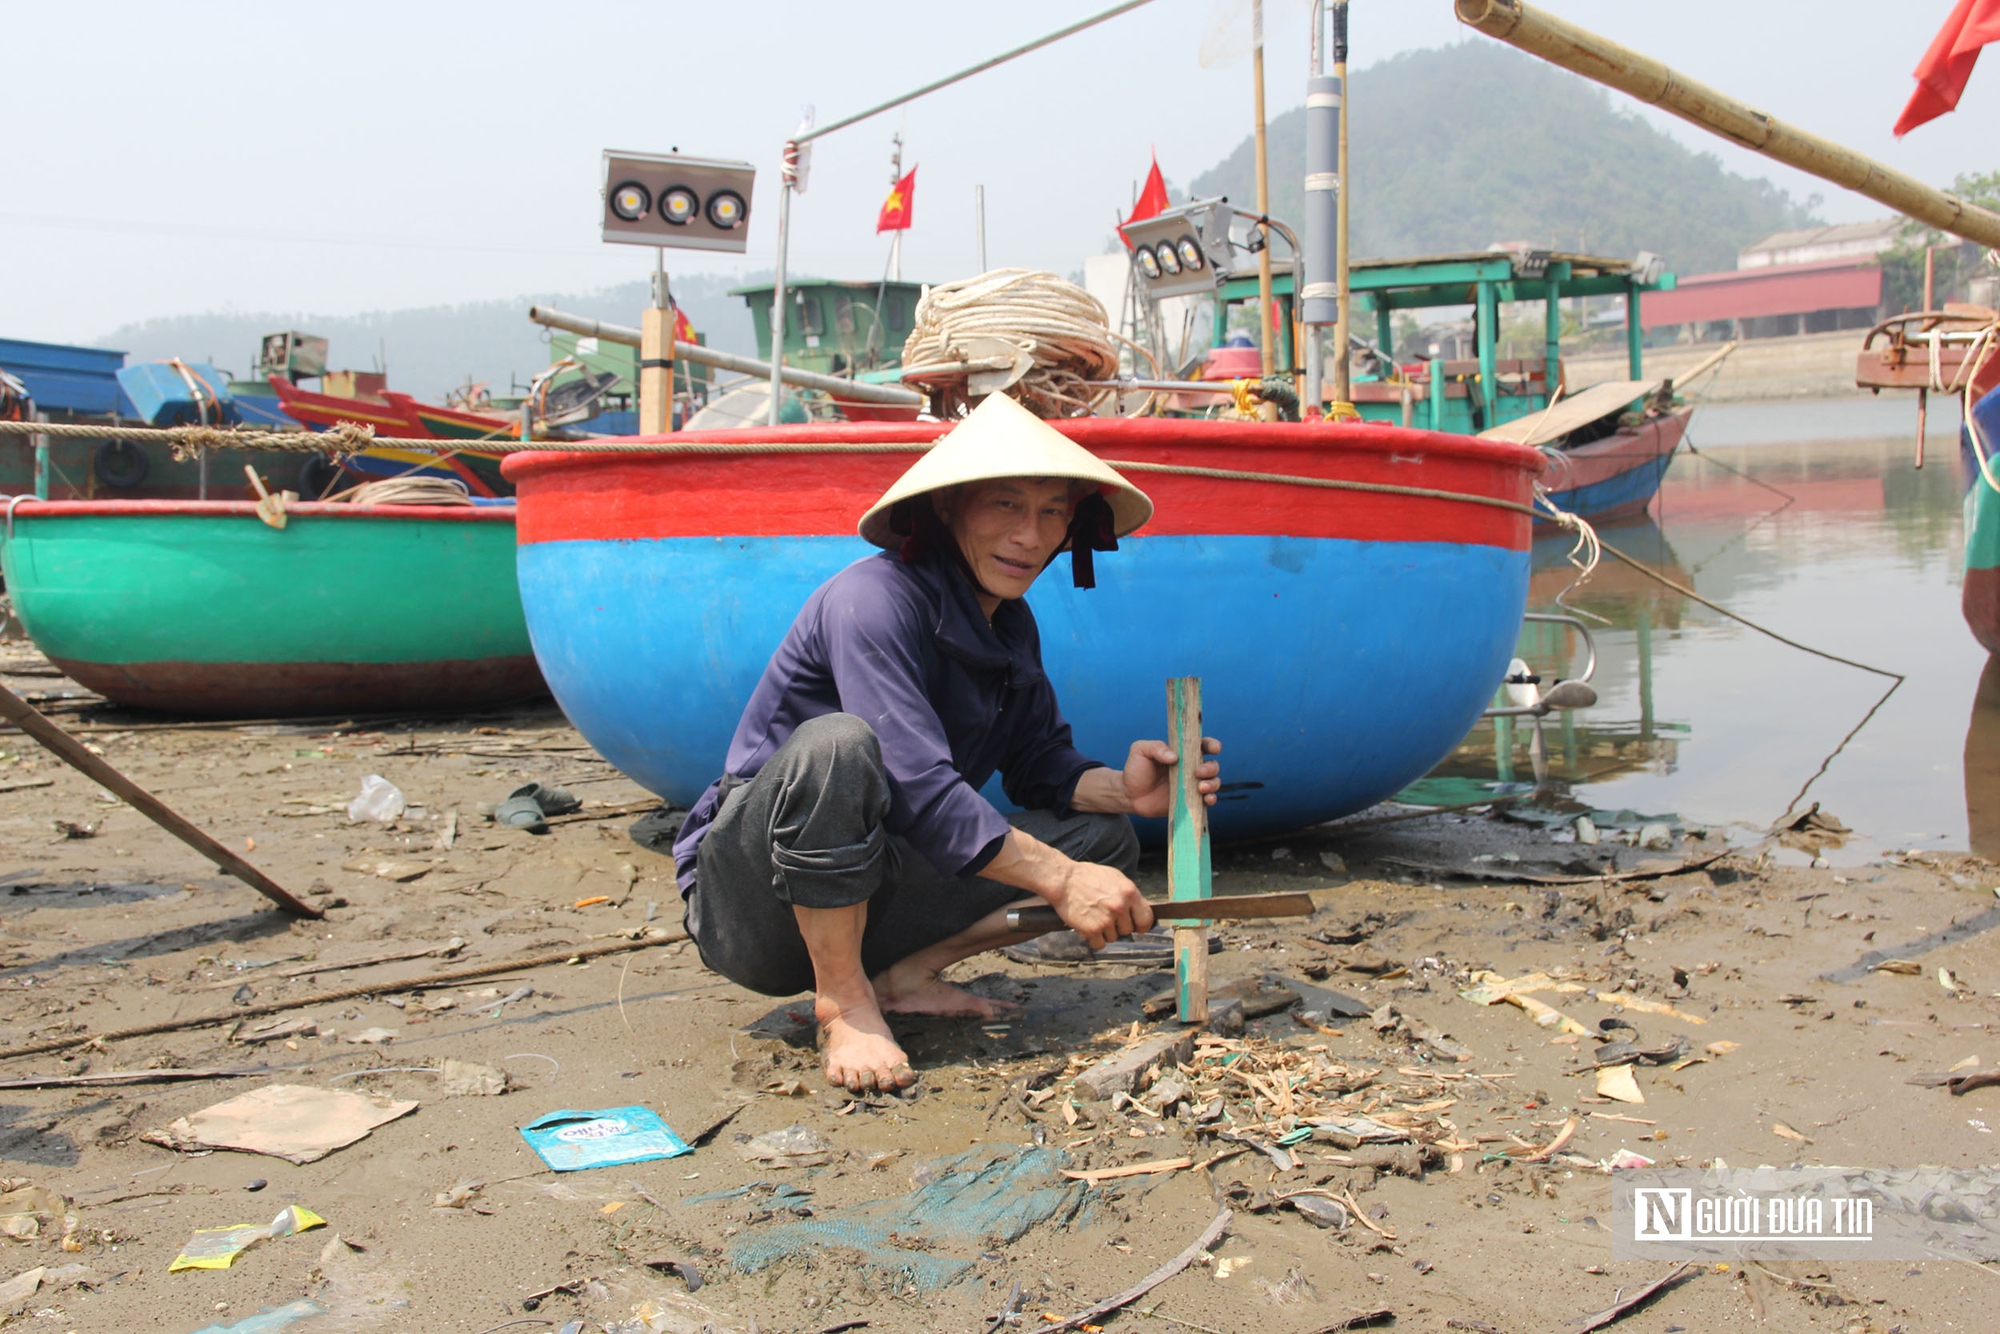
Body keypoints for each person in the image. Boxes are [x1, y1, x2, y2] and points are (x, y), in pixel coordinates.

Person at [671, 392, 1222, 1093]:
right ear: (947, 508)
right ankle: (843, 1003)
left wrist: (1125, 790)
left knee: (1101, 841)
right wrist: (1060, 879)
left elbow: (1037, 762)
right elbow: (918, 784)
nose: (1030, 535)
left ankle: (904, 977)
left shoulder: (1011, 627)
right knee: (838, 746)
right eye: (1005, 505)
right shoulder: (873, 600)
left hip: (877, 881)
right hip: (753, 902)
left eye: (1053, 512)